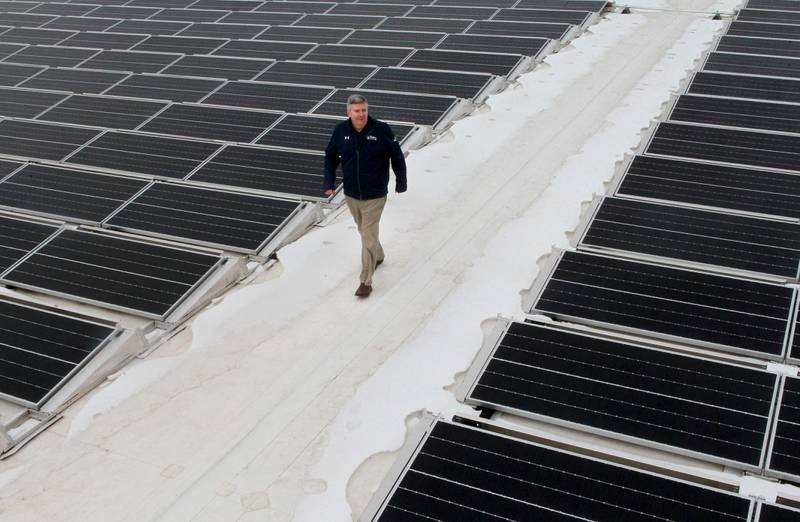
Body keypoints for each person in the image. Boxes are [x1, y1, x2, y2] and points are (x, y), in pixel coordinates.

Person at [324, 94, 407, 298]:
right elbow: (330, 156)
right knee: (364, 230)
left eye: (364, 110)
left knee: (367, 235)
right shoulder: (340, 131)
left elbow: (396, 156)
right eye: (357, 111)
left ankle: (365, 282)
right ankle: (378, 256)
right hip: (351, 193)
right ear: (348, 112)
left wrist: (401, 181)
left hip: (375, 194)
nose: (361, 114)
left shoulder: (381, 130)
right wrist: (329, 182)